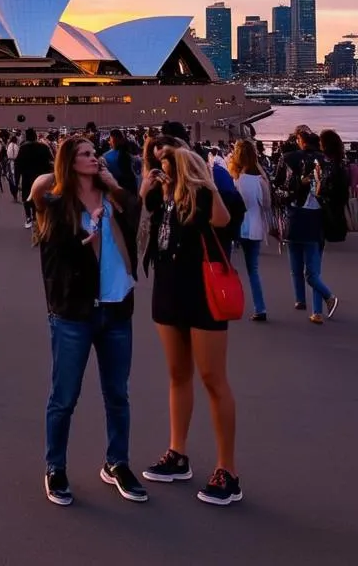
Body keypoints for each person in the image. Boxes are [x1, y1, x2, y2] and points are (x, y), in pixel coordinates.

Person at [31, 137, 146, 506]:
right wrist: (86, 234)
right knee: (64, 397)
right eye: (85, 154)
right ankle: (56, 467)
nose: (94, 158)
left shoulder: (114, 199)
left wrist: (113, 185)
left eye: (95, 153)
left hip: (116, 308)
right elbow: (52, 255)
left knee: (118, 395)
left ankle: (117, 463)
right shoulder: (56, 204)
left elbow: (138, 209)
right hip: (74, 312)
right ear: (69, 162)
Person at [142, 146, 240, 506]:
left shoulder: (203, 195)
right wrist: (148, 184)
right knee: (177, 374)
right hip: (167, 291)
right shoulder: (158, 197)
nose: (163, 171)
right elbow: (141, 232)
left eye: (168, 165)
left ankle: (227, 470)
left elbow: (222, 219)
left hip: (203, 293)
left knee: (213, 378)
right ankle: (177, 453)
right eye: (158, 165)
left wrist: (200, 176)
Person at [275, 130, 340, 323]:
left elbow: (279, 188)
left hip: (294, 215)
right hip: (317, 217)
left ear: (299, 141)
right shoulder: (327, 161)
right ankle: (317, 311)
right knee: (313, 269)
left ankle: (306, 299)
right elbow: (333, 191)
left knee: (296, 262)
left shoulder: (287, 158)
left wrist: (293, 189)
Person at [228, 140, 271, 322]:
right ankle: (260, 307)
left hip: (238, 227)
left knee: (228, 266)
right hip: (256, 228)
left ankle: (228, 302)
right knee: (253, 270)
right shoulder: (260, 181)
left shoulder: (237, 180)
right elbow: (267, 206)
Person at [15, 128, 54, 230]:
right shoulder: (43, 147)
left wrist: (16, 180)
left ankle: (28, 217)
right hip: (41, 177)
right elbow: (51, 161)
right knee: (40, 196)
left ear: (26, 137)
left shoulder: (23, 149)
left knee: (27, 197)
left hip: (27, 177)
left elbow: (18, 165)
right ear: (35, 136)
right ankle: (37, 217)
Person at [319, 129, 350, 246]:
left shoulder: (332, 168)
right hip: (335, 212)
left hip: (329, 214)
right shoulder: (340, 165)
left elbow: (329, 191)